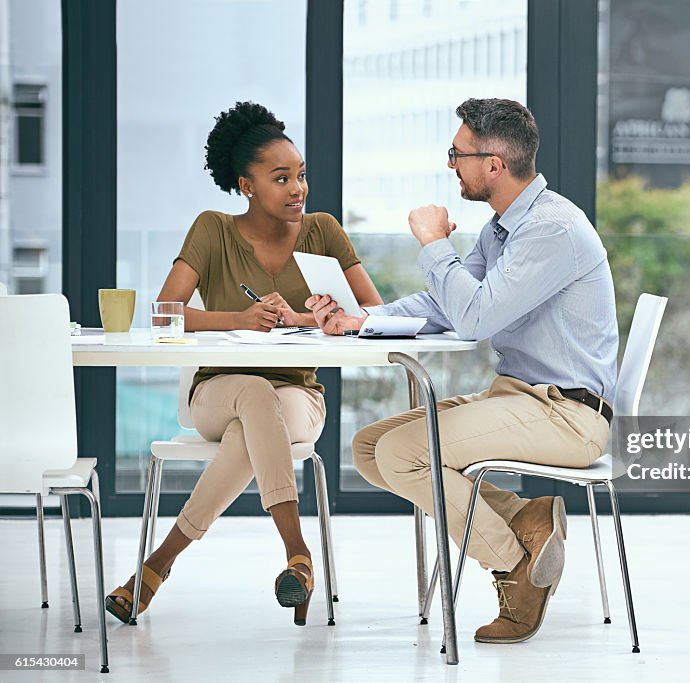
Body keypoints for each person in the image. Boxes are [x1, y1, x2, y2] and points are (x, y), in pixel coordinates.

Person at [307, 98, 618, 643]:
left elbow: (474, 318)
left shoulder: (551, 230)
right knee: (370, 448)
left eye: (458, 153)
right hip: (521, 398)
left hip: (567, 415)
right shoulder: (503, 229)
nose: (451, 164)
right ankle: (526, 520)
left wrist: (433, 243)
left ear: (493, 164)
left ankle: (512, 564)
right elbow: (443, 304)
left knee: (405, 454)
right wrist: (362, 320)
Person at [105, 101, 382, 626]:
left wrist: (313, 320)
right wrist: (241, 318)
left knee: (256, 421)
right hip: (216, 392)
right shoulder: (213, 229)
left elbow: (374, 313)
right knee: (253, 396)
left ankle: (155, 568)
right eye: (281, 178)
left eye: (301, 175)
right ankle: (297, 554)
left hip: (299, 398)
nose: (298, 188)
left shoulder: (323, 230)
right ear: (246, 185)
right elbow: (167, 314)